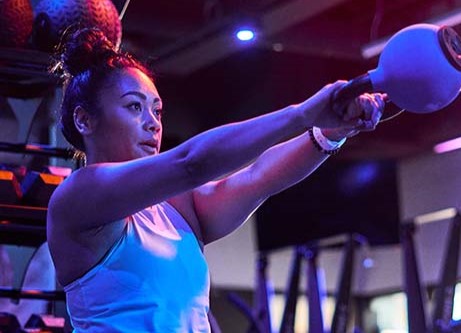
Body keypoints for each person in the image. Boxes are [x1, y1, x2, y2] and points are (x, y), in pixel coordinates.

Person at [46, 27, 385, 332]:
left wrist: (332, 131)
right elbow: (190, 163)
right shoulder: (77, 198)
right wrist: (302, 114)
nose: (153, 123)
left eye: (157, 110)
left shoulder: (177, 209)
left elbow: (259, 177)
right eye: (135, 107)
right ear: (84, 120)